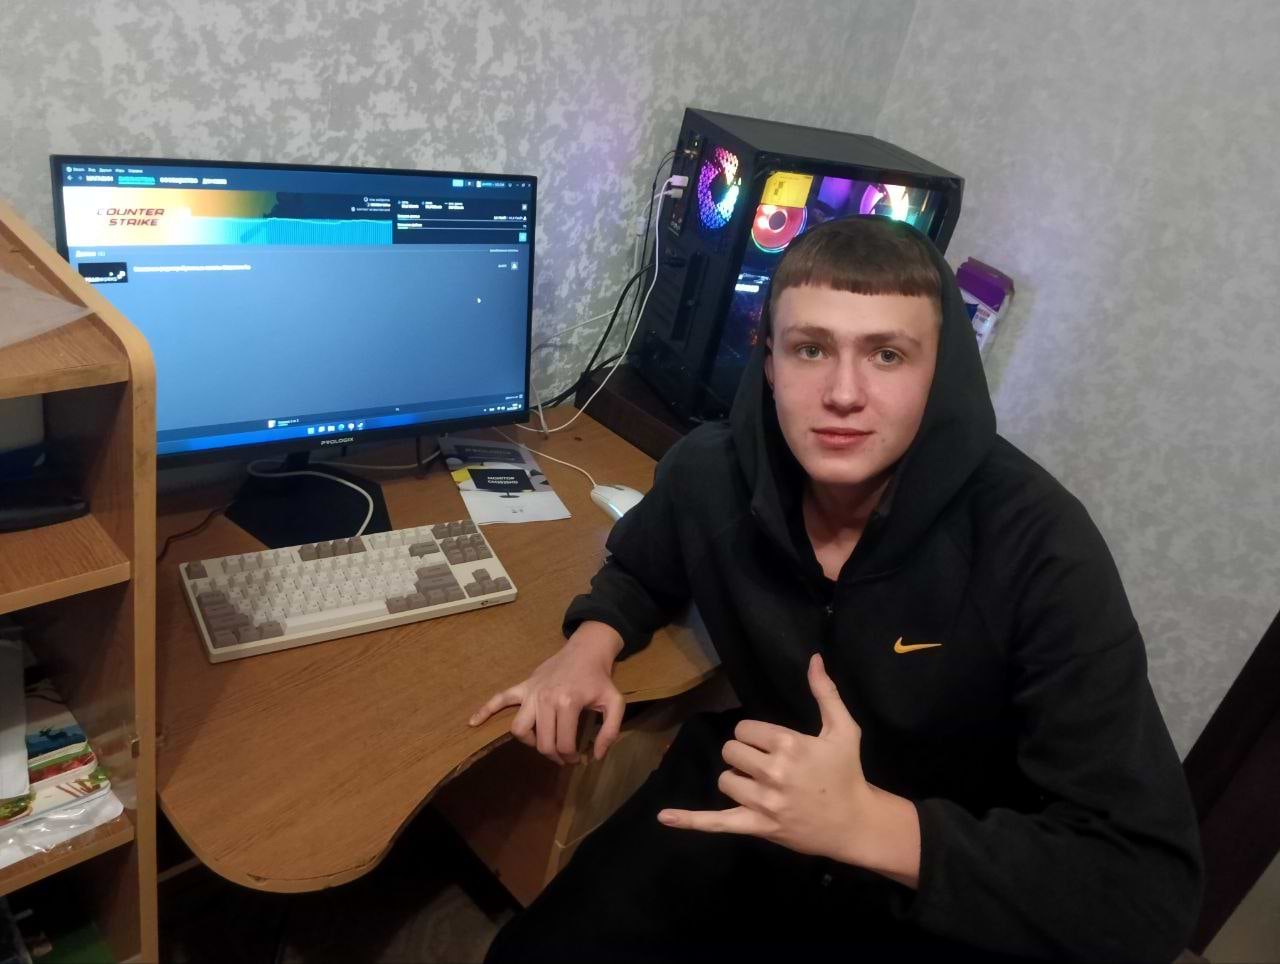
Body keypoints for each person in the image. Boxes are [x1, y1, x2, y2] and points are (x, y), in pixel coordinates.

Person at [469, 215, 1203, 962]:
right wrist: (588, 646)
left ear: (941, 371)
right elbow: (642, 565)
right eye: (811, 349)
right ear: (768, 361)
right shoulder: (712, 472)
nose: (843, 393)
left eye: (887, 354)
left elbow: (1147, 890)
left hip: (934, 860)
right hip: (756, 783)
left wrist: (867, 824)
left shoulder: (1038, 546)